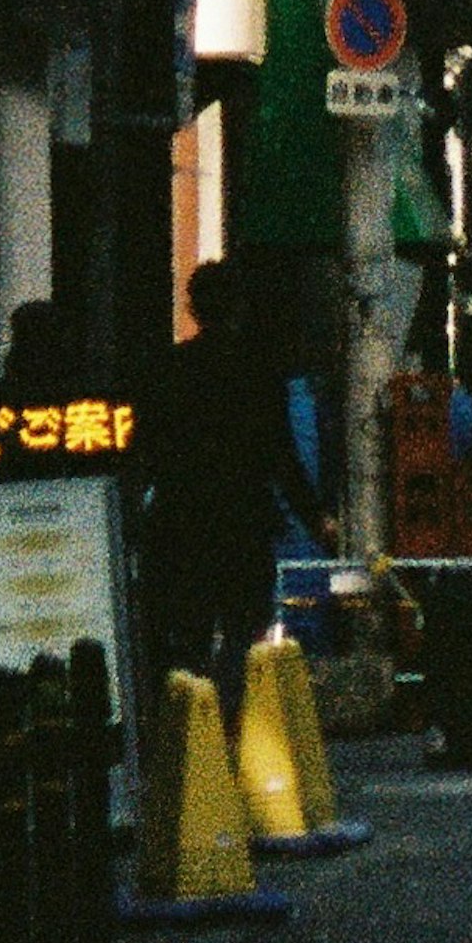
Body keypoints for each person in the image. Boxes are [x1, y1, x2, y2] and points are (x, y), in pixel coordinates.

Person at [141, 259, 329, 719]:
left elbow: (150, 450)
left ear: (192, 309)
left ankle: (184, 730)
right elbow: (281, 454)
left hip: (183, 523)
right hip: (244, 524)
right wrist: (315, 517)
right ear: (239, 308)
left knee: (188, 635)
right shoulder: (259, 374)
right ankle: (230, 723)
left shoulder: (171, 369)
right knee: (244, 633)